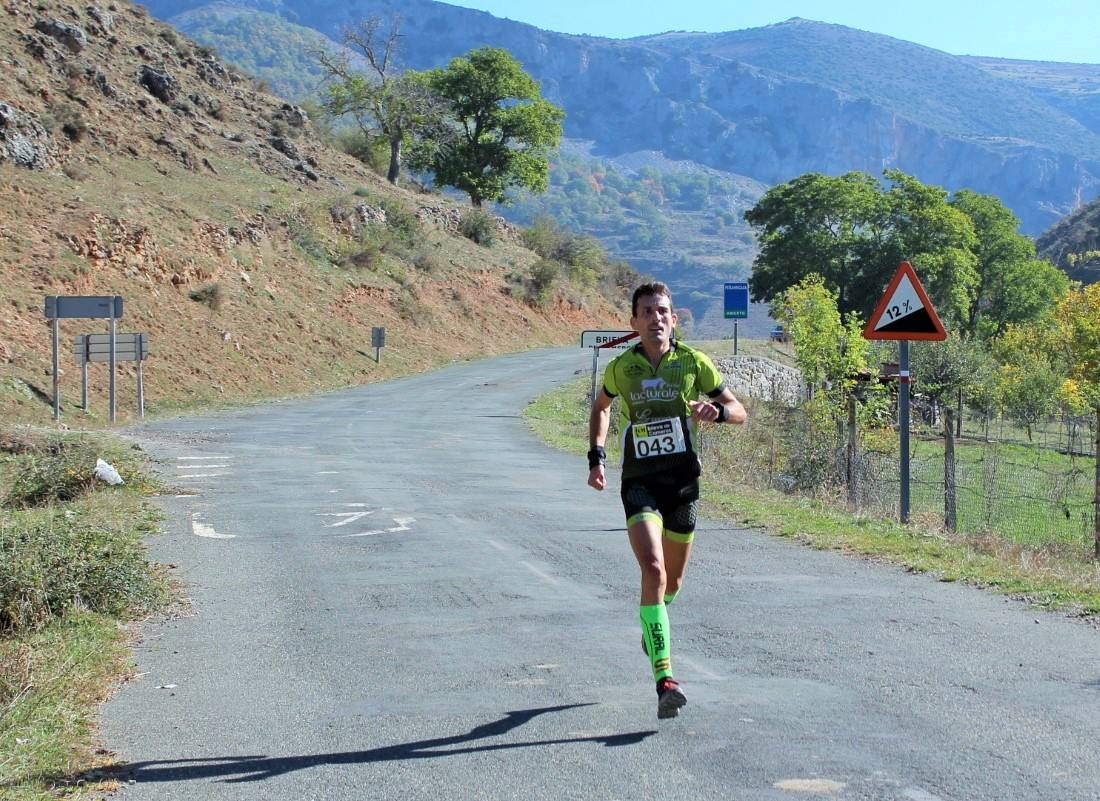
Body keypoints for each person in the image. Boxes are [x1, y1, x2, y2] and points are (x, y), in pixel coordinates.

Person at [587, 282, 746, 719]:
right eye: (647, 311)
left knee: (670, 585)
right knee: (653, 568)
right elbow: (601, 406)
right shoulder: (623, 367)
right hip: (639, 480)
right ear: (634, 322)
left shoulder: (694, 363)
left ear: (674, 319)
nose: (656, 318)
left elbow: (738, 410)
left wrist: (719, 413)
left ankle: (652, 620)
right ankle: (665, 679)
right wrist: (597, 456)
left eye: (663, 311)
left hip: (682, 483)